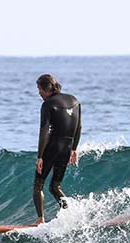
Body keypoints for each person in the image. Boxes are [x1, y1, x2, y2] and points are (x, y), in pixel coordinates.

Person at [33, 74, 81, 225]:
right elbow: (78, 127)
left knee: (38, 185)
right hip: (66, 148)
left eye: (39, 89)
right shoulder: (74, 100)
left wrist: (40, 156)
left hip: (52, 147)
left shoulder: (47, 104)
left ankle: (40, 219)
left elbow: (44, 131)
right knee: (55, 186)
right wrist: (74, 149)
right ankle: (70, 216)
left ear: (45, 88)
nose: (39, 93)